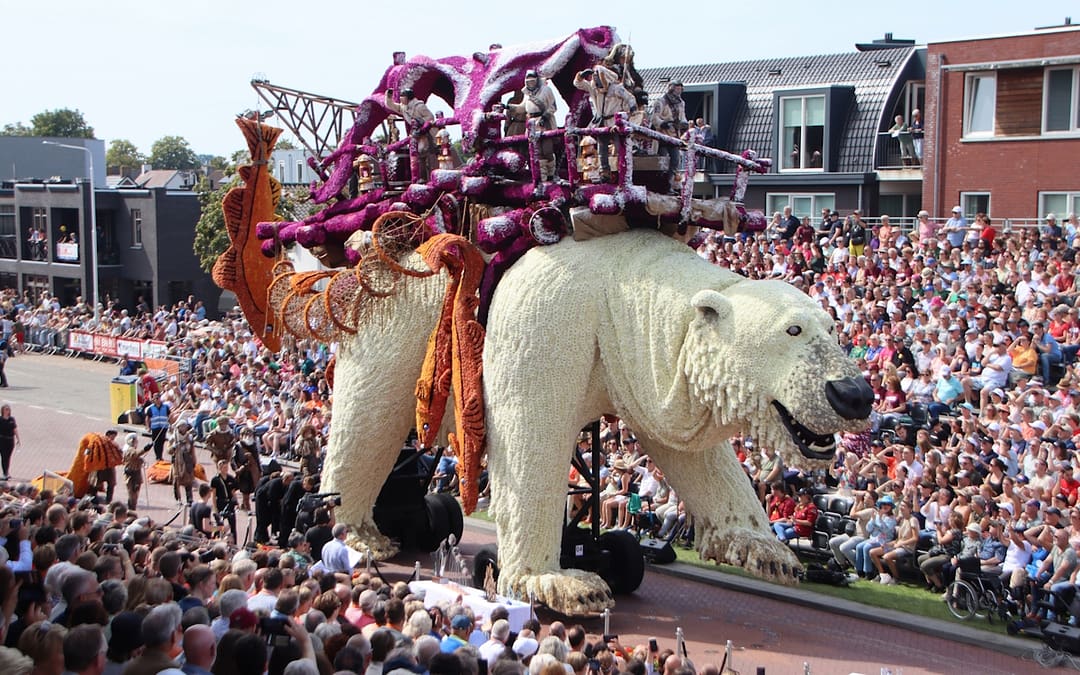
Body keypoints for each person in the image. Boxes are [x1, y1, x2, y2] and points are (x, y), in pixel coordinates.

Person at [573, 65, 636, 182]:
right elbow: (578, 84)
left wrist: (631, 109)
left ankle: (625, 172)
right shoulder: (594, 88)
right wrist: (581, 75)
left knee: (620, 147)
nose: (597, 82)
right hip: (601, 122)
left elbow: (630, 98)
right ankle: (604, 173)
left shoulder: (617, 88)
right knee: (602, 147)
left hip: (615, 122)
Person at [383, 88, 437, 182]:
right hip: (417, 134)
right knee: (419, 155)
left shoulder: (419, 106)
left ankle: (430, 178)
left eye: (402, 96)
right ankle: (422, 179)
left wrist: (421, 124)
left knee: (426, 154)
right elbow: (391, 106)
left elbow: (430, 117)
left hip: (428, 134)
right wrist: (388, 97)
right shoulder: (404, 107)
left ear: (408, 98)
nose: (400, 98)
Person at [169, 421, 197, 505]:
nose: (183, 428)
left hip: (187, 461)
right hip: (177, 461)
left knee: (188, 481)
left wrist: (194, 460)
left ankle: (189, 499)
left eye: (185, 426)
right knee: (176, 480)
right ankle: (178, 499)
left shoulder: (190, 437)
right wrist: (174, 447)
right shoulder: (173, 438)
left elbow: (192, 450)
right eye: (182, 426)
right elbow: (168, 450)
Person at [122, 433, 152, 510]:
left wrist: (141, 460)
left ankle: (132, 507)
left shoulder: (132, 449)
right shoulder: (128, 450)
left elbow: (137, 458)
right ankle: (131, 509)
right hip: (130, 475)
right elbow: (135, 454)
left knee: (135, 493)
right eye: (136, 441)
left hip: (136, 474)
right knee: (132, 494)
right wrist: (145, 449)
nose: (137, 442)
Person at [143, 393, 171, 462]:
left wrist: (170, 425)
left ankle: (160, 456)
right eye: (155, 398)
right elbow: (147, 418)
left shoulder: (165, 407)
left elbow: (169, 416)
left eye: (158, 398)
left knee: (161, 442)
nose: (157, 400)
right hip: (155, 427)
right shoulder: (151, 408)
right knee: (155, 442)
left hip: (163, 427)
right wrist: (148, 427)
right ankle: (157, 455)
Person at [0, 403, 19, 480]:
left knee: (7, 457)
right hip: (2, 440)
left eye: (8, 409)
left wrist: (18, 439)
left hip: (10, 440)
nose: (7, 411)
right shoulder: (0, 419)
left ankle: (6, 472)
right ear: (3, 410)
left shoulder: (12, 419)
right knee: (4, 457)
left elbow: (15, 429)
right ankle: (5, 473)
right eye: (6, 409)